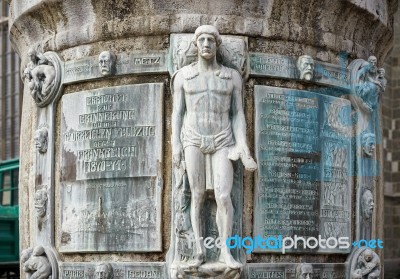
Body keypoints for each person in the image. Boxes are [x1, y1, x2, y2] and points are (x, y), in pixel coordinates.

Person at [171, 25, 257, 269]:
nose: (206, 44)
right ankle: (198, 251)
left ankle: (225, 251)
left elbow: (237, 114)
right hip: (193, 139)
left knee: (222, 195)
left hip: (222, 139)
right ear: (196, 45)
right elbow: (177, 113)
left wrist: (243, 146)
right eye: (202, 40)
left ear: (217, 45)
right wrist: (175, 144)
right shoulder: (183, 76)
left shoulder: (231, 77)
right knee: (196, 195)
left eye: (211, 40)